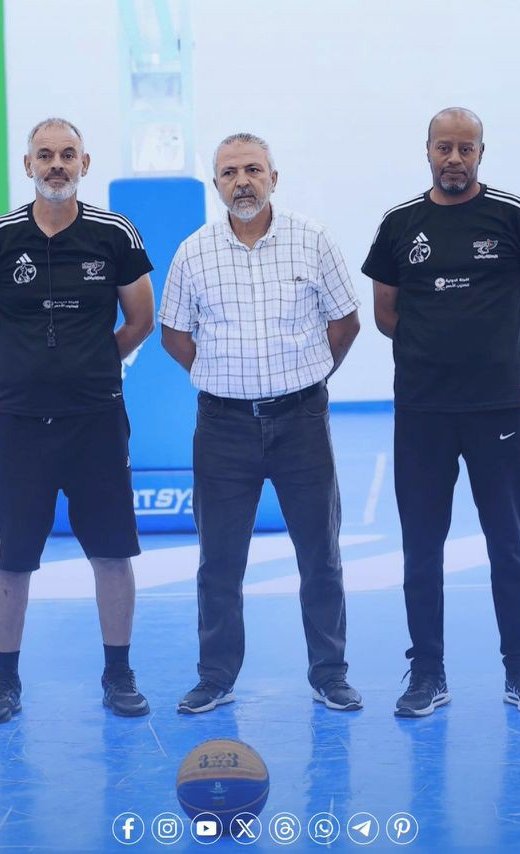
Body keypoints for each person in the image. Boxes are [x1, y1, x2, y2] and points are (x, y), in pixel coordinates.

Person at [0, 118, 156, 723]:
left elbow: (140, 321)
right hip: (18, 424)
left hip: (96, 420)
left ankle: (118, 674)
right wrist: (25, 370)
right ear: (28, 166)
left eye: (68, 155)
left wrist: (92, 365)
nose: (56, 165)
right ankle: (3, 680)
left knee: (112, 553)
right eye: (44, 155)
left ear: (84, 164)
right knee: (10, 558)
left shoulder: (115, 233)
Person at [363, 107, 520, 717]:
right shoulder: (399, 223)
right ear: (427, 150)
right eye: (443, 147)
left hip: (496, 406)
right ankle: (427, 673)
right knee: (422, 548)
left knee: (508, 543)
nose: (454, 158)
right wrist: (436, 353)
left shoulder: (514, 215)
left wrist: (491, 353)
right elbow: (386, 314)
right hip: (422, 409)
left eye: (465, 148)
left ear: (480, 153)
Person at [159, 132, 364, 714]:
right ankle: (216, 677)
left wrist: (308, 376)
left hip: (302, 421)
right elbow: (174, 334)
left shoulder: (312, 239)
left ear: (274, 176)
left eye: (253, 169)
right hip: (222, 429)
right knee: (219, 563)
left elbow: (345, 322)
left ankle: (330, 674)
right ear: (216, 184)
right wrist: (223, 378)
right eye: (229, 173)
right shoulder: (193, 252)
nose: (242, 181)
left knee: (320, 556)